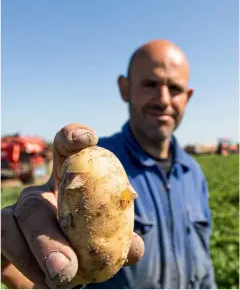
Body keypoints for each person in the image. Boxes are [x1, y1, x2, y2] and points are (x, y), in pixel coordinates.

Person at [1, 39, 217, 289]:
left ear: (188, 97)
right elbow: (46, 281)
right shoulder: (90, 166)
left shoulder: (193, 173)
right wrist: (13, 267)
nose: (163, 99)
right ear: (124, 88)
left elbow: (204, 270)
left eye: (175, 88)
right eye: (150, 84)